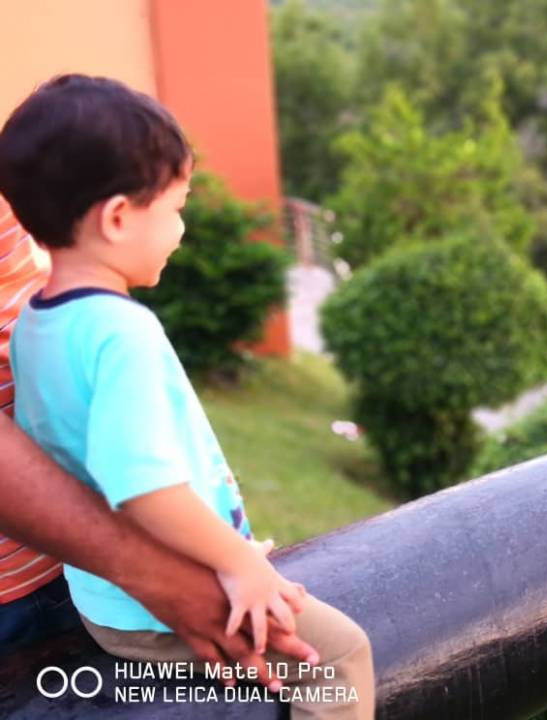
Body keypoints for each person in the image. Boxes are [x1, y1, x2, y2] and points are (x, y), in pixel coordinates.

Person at [0, 74, 374, 719]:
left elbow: (71, 458)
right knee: (341, 661)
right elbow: (140, 486)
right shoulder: (122, 335)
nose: (180, 228)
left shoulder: (34, 317)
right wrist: (238, 565)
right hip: (142, 606)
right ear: (118, 218)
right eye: (175, 208)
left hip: (94, 592)